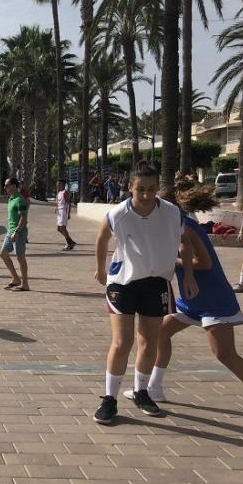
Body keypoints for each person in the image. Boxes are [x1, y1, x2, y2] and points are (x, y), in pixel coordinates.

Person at [134, 182, 243, 429]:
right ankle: (154, 387)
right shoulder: (173, 225)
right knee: (160, 333)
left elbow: (203, 264)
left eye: (155, 205)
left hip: (213, 299)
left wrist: (171, 259)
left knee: (225, 354)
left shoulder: (187, 227)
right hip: (192, 301)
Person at [92, 163, 197, 425]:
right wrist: (100, 269)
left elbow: (186, 242)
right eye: (141, 189)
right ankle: (109, 399)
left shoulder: (172, 213)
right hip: (123, 283)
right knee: (122, 342)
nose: (147, 195)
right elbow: (102, 239)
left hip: (157, 283)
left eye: (152, 189)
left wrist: (190, 277)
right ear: (130, 188)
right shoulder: (118, 213)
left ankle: (141, 391)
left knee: (149, 342)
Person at [0, 178, 30, 291]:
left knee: (20, 257)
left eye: (7, 185)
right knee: (3, 254)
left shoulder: (20, 199)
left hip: (19, 232)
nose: (5, 187)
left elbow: (24, 218)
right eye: (5, 185)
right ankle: (15, 279)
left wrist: (17, 232)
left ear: (13, 186)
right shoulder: (11, 199)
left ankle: (25, 284)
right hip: (10, 232)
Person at [55, 179, 77, 251]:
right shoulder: (59, 193)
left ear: (63, 185)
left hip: (63, 212)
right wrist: (56, 208)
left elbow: (68, 203)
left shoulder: (65, 193)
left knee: (63, 228)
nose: (57, 186)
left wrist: (68, 213)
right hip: (59, 212)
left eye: (59, 184)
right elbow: (59, 202)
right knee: (59, 229)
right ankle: (70, 241)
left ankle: (69, 244)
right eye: (57, 184)